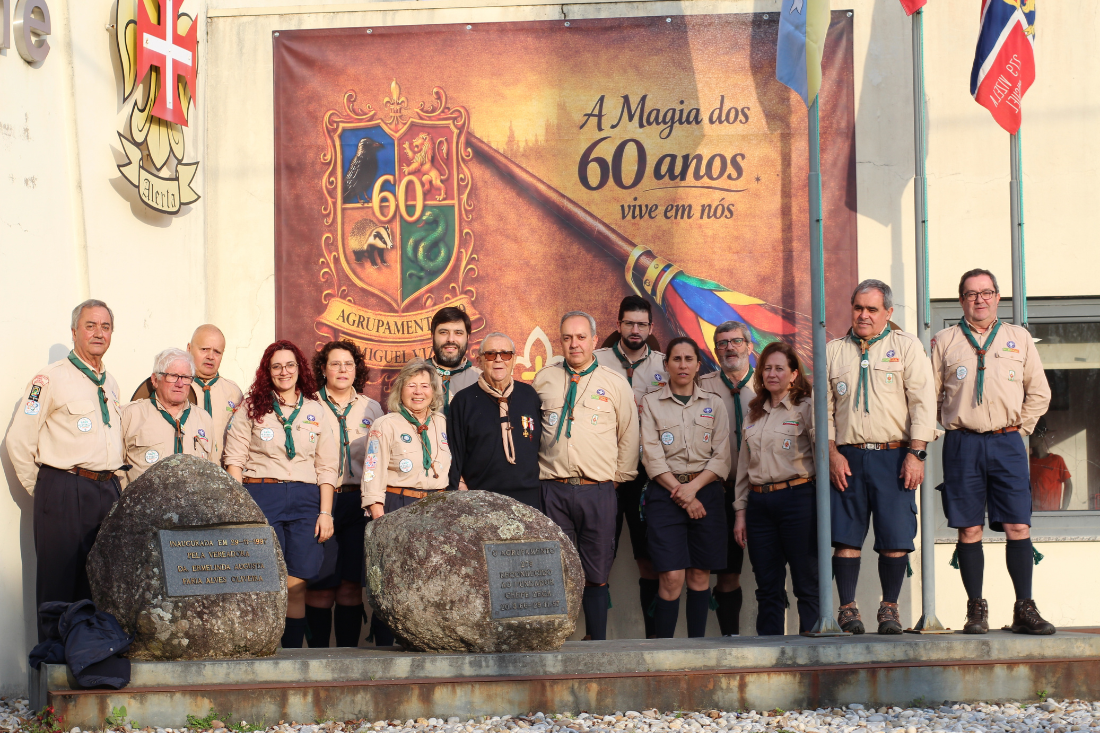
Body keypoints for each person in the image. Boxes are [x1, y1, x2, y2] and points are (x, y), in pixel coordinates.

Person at [931, 268, 1054, 635]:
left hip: (1007, 442)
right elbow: (928, 396)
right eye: (971, 294)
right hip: (962, 443)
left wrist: (1022, 431)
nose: (979, 299)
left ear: (998, 297)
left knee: (1018, 524)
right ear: (961, 300)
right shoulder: (944, 340)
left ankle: (1024, 607)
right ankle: (976, 610)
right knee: (969, 529)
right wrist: (952, 421)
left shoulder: (1020, 338)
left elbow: (1040, 391)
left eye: (986, 293)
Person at [8, 300, 125, 641]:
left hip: (105, 491)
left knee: (98, 583)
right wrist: (47, 490)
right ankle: (53, 678)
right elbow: (18, 440)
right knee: (58, 585)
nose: (98, 333)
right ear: (74, 331)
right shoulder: (50, 379)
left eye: (105, 326)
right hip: (63, 488)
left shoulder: (111, 382)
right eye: (90, 325)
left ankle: (89, 662)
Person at [824, 280, 937, 635]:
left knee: (895, 537)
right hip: (848, 459)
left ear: (888, 312)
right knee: (845, 538)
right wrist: (830, 453)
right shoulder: (833, 351)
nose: (864, 315)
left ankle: (889, 610)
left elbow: (923, 402)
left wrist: (916, 454)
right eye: (858, 308)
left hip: (894, 457)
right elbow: (822, 412)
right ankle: (847, 610)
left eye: (872, 309)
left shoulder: (906, 347)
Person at [223, 340, 338, 649]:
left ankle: (290, 655)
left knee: (296, 583)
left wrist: (325, 513)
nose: (283, 371)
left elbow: (327, 467)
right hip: (262, 494)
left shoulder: (316, 410)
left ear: (299, 369)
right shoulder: (251, 408)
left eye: (289, 365)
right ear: (267, 371)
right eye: (276, 366)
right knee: (263, 579)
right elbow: (234, 460)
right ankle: (260, 648)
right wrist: (240, 508)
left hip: (305, 500)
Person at [534, 311, 639, 641]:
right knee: (554, 570)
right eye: (567, 338)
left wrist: (614, 481)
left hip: (598, 491)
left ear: (594, 340)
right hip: (553, 490)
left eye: (581, 337)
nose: (574, 344)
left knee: (596, 571)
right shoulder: (544, 380)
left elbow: (629, 436)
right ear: (560, 341)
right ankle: (554, 642)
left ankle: (597, 642)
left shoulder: (614, 382)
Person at [640, 337, 731, 638]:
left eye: (688, 359)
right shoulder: (651, 403)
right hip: (665, 494)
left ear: (697, 364)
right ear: (666, 365)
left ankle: (697, 648)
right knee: (671, 576)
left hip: (705, 492)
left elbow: (721, 458)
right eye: (676, 359)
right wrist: (683, 493)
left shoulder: (714, 404)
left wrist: (693, 490)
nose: (682, 365)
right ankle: (664, 652)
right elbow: (651, 458)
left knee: (699, 574)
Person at [732, 341, 818, 635]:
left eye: (780, 368)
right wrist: (741, 512)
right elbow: (744, 467)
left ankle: (813, 651)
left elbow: (821, 456)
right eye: (767, 368)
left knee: (806, 582)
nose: (772, 374)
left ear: (794, 374)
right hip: (759, 506)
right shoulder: (754, 411)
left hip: (798, 500)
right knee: (767, 585)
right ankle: (769, 651)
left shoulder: (807, 407)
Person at [303, 340, 385, 648]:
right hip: (320, 501)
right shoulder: (309, 405)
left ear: (356, 370)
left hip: (356, 501)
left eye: (348, 364)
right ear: (323, 369)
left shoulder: (371, 408)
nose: (342, 370)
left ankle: (349, 660)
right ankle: (318, 659)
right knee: (321, 587)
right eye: (335, 364)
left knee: (351, 586)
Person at [594, 295, 667, 637]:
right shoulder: (596, 361)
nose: (635, 330)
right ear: (618, 325)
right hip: (605, 472)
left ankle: (653, 636)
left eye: (642, 324)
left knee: (647, 557)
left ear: (651, 328)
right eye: (629, 323)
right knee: (599, 556)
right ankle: (596, 635)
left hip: (648, 475)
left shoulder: (665, 366)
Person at [697, 320, 754, 636]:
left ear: (749, 345)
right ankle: (726, 637)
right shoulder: (703, 387)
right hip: (717, 492)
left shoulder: (767, 384)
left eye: (735, 341)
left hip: (758, 492)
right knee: (724, 572)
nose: (729, 348)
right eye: (722, 343)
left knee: (764, 568)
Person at [447, 332, 542, 508]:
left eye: (505, 354)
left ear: (513, 359)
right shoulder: (463, 401)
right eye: (491, 354)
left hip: (529, 499)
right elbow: (454, 452)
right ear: (480, 360)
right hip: (480, 499)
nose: (498, 359)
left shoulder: (529, 396)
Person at [131, 325, 243, 465]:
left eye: (217, 352)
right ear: (189, 348)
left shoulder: (234, 392)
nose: (210, 356)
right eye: (204, 349)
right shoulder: (174, 386)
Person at [361, 359, 451, 516]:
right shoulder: (385, 425)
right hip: (399, 505)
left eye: (425, 386)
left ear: (433, 390)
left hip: (439, 507)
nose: (418, 392)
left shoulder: (442, 423)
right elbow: (372, 473)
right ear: (400, 389)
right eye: (411, 385)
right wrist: (378, 519)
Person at [120, 348, 217, 484]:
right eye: (172, 375)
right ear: (155, 380)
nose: (180, 383)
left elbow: (212, 472)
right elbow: (116, 470)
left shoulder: (204, 419)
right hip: (145, 504)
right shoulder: (130, 415)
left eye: (185, 377)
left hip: (192, 504)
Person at [428, 307, 482, 416]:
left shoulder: (481, 379)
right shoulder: (413, 376)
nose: (451, 339)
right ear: (432, 335)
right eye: (443, 332)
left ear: (467, 337)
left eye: (458, 333)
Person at [1029, 418, 1072, 512]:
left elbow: (1068, 484)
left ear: (1040, 435)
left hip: (1051, 513)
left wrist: (1064, 509)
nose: (1028, 437)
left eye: (1031, 433)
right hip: (1031, 514)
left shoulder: (1056, 460)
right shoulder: (1026, 461)